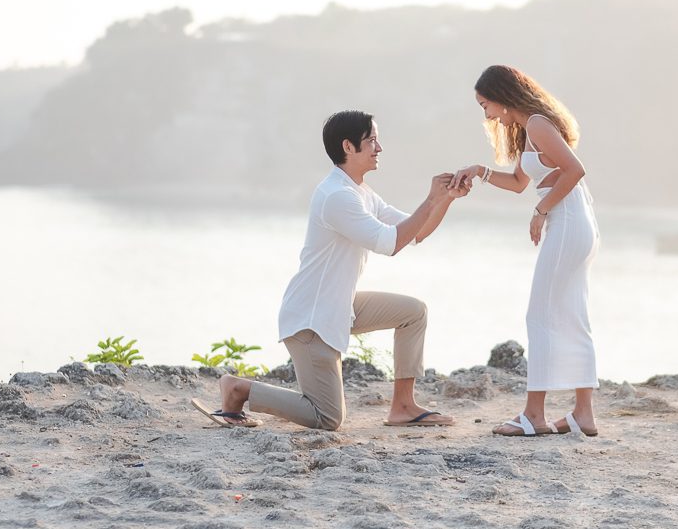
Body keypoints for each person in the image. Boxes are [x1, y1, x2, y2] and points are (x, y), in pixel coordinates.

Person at [193, 110, 466, 431]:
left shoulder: (360, 192)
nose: (379, 148)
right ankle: (239, 388)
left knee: (413, 312)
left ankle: (403, 406)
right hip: (312, 319)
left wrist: (444, 199)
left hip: (339, 306)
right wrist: (430, 199)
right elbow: (391, 243)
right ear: (348, 147)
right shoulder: (337, 196)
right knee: (327, 418)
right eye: (372, 141)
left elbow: (415, 232)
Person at [451, 65, 600, 437]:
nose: (484, 113)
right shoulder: (526, 129)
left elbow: (575, 169)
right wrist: (481, 172)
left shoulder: (537, 123)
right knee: (571, 314)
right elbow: (520, 182)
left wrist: (542, 209)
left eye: (485, 104)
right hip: (572, 221)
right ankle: (583, 414)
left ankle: (534, 415)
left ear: (502, 98)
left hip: (567, 220)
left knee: (541, 315)